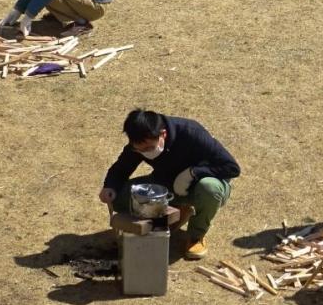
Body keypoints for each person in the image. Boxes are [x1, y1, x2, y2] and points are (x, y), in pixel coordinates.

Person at [99, 109, 241, 259]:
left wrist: (194, 173)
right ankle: (177, 212)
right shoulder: (139, 143)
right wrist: (110, 187)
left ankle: (196, 236)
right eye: (139, 150)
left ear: (163, 134)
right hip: (166, 183)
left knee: (209, 189)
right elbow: (121, 168)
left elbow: (232, 168)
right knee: (121, 197)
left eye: (149, 148)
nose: (145, 152)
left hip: (202, 185)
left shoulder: (191, 132)